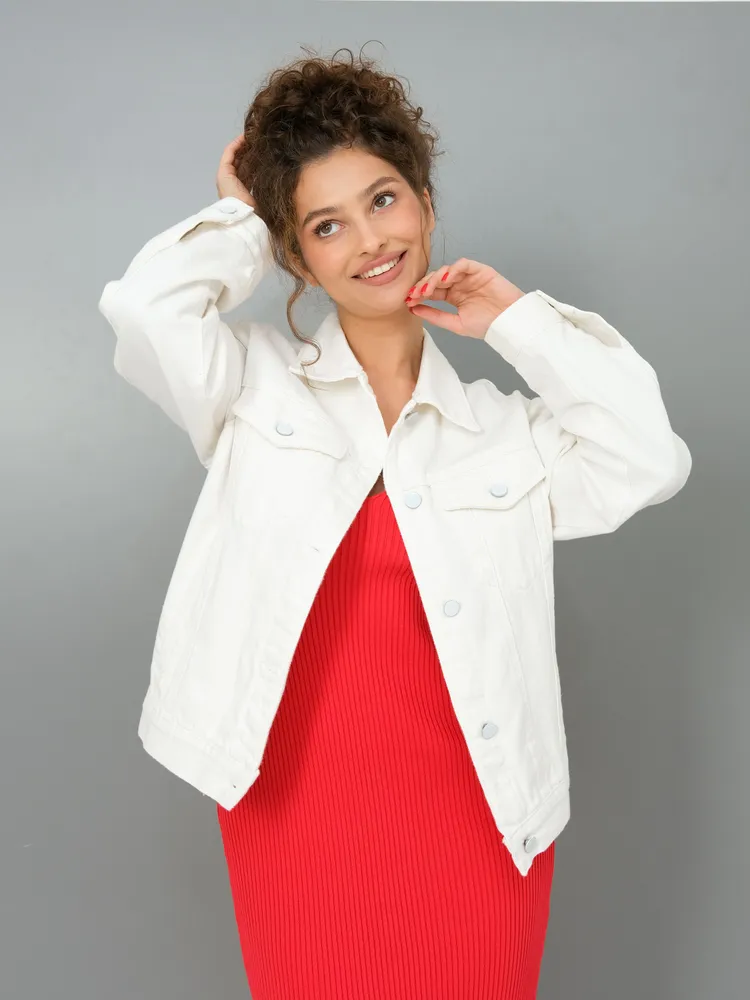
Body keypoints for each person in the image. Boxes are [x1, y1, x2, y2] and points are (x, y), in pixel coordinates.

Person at [98, 45, 691, 1000]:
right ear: (296, 255)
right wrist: (244, 218)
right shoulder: (251, 385)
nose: (370, 240)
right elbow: (145, 311)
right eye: (325, 225)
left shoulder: (501, 434)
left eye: (383, 200)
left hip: (480, 806)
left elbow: (650, 457)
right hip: (293, 806)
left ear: (423, 200)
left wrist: (516, 322)